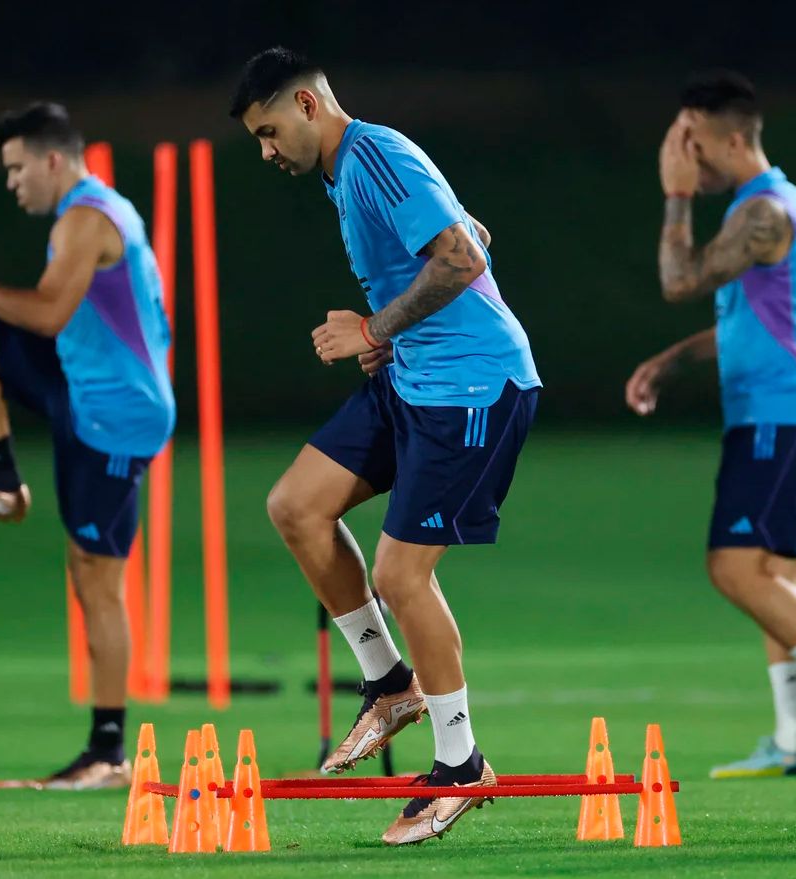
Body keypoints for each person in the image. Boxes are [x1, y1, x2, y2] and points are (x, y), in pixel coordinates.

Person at [228, 48, 541, 845]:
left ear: (306, 104)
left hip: (473, 385)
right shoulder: (347, 173)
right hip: (413, 377)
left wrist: (373, 327)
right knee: (296, 505)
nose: (266, 151)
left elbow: (464, 257)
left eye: (268, 132)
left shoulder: (375, 155)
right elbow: (474, 231)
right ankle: (391, 683)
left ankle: (461, 766)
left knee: (402, 574)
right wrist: (393, 334)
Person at [626, 71, 796, 780]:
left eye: (691, 141)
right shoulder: (760, 208)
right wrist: (672, 360)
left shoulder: (766, 212)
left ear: (734, 140)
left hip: (781, 416)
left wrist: (676, 193)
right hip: (779, 414)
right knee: (775, 581)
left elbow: (679, 281)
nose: (683, 153)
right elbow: (753, 323)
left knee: (735, 568)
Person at [0, 102, 174, 790]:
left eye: (16, 169)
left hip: (114, 415)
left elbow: (48, 311)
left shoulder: (85, 219)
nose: (12, 183)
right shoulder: (96, 210)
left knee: (96, 579)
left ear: (52, 159)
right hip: (79, 387)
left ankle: (107, 754)